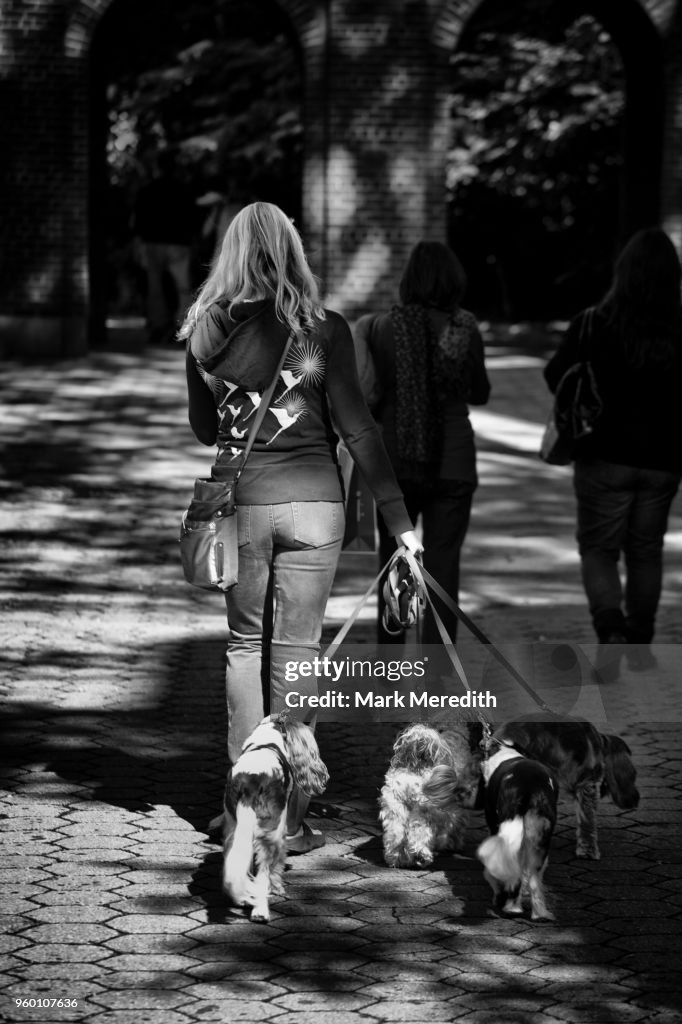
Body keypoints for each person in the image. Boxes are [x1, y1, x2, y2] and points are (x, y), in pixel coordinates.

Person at [178, 202, 421, 851]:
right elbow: (358, 428)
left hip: (242, 506)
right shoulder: (324, 329)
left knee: (240, 648)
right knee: (297, 657)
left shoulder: (204, 330)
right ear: (290, 251)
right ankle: (289, 815)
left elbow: (208, 432)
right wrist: (400, 522)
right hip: (315, 505)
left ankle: (244, 807)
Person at [544, 227, 682, 677]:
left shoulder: (592, 323)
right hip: (664, 460)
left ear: (622, 273)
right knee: (646, 550)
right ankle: (639, 642)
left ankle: (611, 631)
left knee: (600, 549)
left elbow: (555, 375)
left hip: (601, 454)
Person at [354, 240, 491, 646]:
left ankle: (390, 660)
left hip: (394, 463)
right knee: (444, 565)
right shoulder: (464, 328)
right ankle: (439, 668)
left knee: (395, 561)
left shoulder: (380, 328)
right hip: (453, 462)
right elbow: (480, 392)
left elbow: (371, 395)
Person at [133, 151, 197, 344]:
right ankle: (182, 326)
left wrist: (139, 240)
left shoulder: (148, 190)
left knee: (155, 287)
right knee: (183, 288)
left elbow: (139, 218)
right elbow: (191, 216)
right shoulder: (183, 190)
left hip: (153, 241)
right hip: (178, 242)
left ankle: (158, 325)